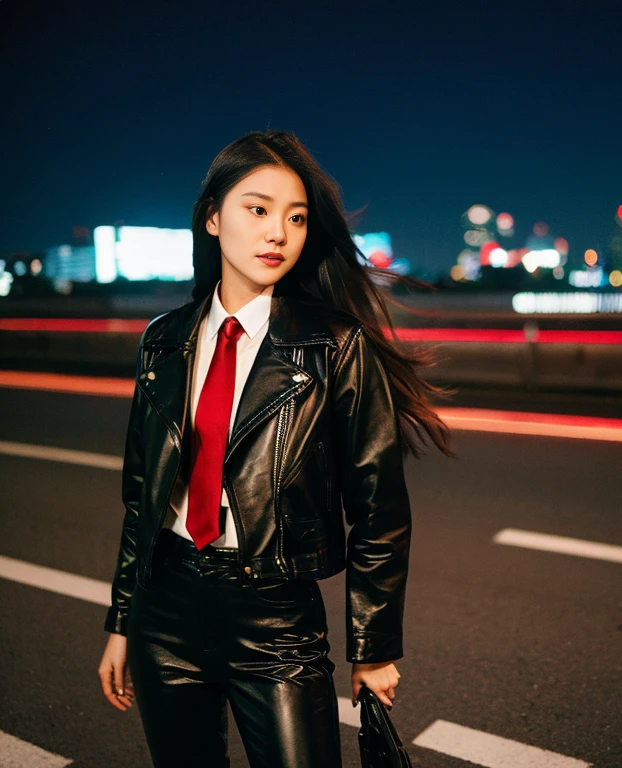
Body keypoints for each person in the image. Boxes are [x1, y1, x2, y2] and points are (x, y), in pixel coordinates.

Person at [97, 129, 457, 767]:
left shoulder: (335, 346)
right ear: (212, 217)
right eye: (257, 210)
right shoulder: (163, 342)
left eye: (295, 218)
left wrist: (372, 647)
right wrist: (123, 621)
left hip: (274, 619)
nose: (278, 234)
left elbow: (379, 510)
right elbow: (140, 498)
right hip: (166, 615)